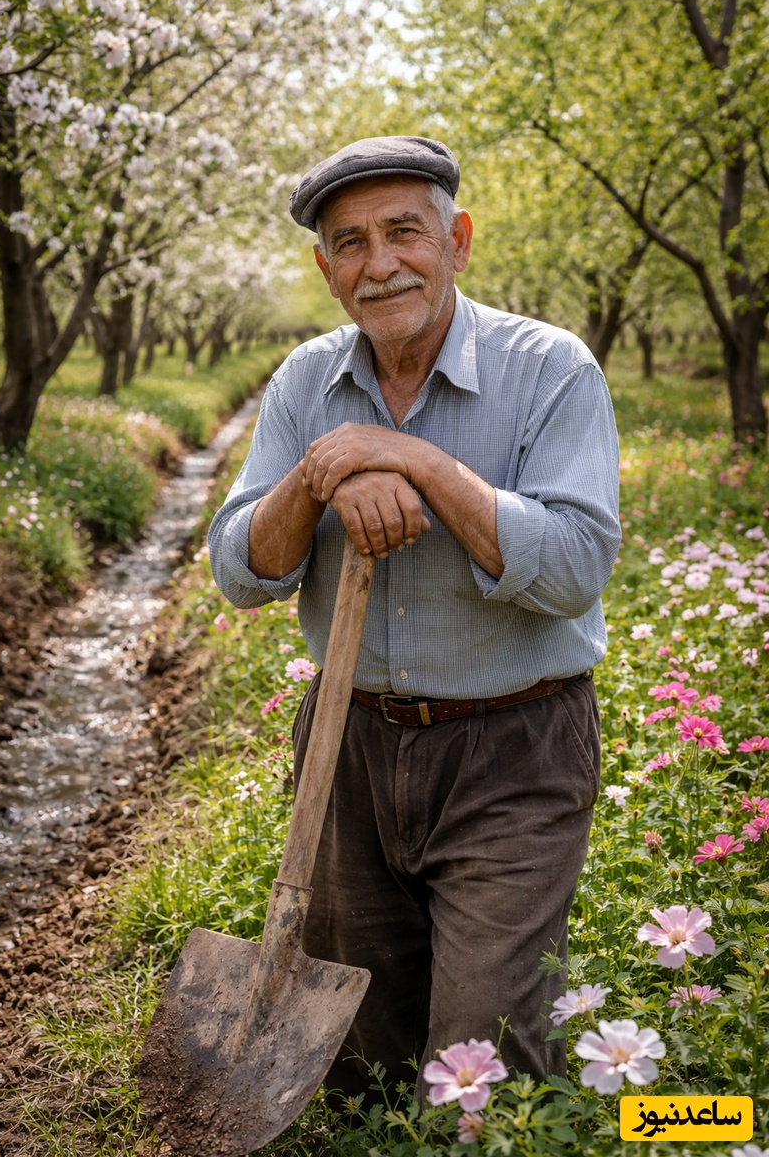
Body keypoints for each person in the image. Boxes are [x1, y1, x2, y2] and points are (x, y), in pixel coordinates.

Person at [207, 135, 620, 1102]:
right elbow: (240, 570)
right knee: (371, 1069)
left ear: (459, 240)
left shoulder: (552, 369)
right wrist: (322, 474)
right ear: (325, 268)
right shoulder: (305, 381)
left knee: (482, 1071)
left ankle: (686, 1121)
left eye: (404, 231)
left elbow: (571, 570)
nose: (379, 262)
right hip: (347, 748)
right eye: (350, 242)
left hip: (511, 749)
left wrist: (415, 464)